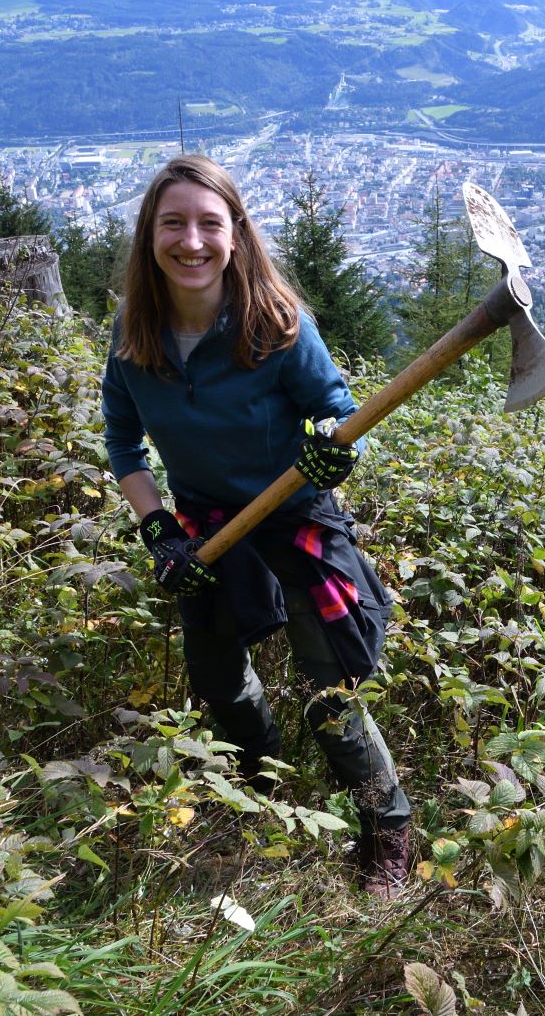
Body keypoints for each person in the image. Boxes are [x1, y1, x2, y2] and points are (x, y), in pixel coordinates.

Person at [100, 154, 413, 896]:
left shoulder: (276, 322)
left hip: (293, 512)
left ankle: (388, 826)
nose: (193, 241)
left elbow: (341, 413)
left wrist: (336, 452)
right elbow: (123, 445)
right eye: (173, 223)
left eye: (211, 223)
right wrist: (158, 529)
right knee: (215, 676)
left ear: (237, 234)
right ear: (150, 234)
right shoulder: (133, 335)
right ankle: (261, 783)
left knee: (329, 688)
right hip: (205, 527)